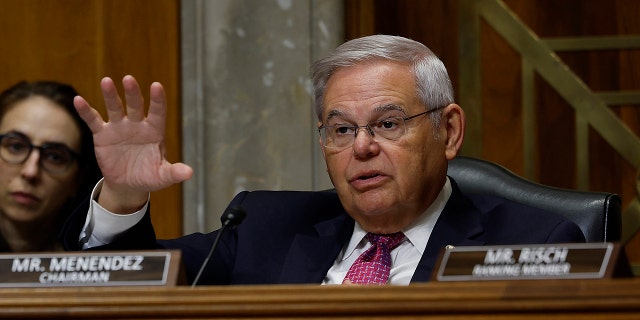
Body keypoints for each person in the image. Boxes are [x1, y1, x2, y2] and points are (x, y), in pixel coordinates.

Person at [61, 35, 585, 285]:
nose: (361, 148)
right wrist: (125, 196)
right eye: (340, 129)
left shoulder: (535, 246)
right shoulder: (262, 227)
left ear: (448, 131)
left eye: (387, 123)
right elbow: (131, 282)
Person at [0, 81, 101, 252]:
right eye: (15, 147)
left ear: (77, 179)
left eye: (55, 157)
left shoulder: (93, 253)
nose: (30, 172)